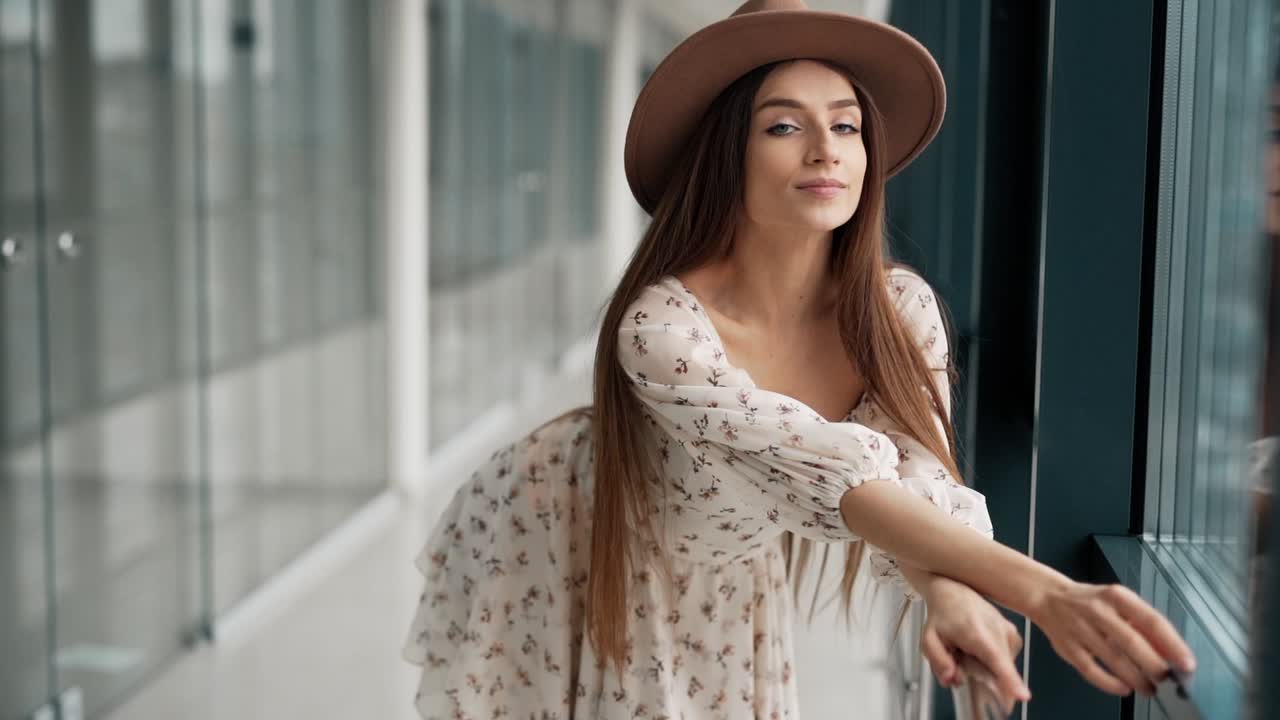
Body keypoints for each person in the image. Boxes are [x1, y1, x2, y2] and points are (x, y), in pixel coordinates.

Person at [402, 1, 1198, 717]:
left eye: (847, 125)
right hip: (572, 528)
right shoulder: (662, 328)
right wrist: (1049, 594)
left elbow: (912, 478)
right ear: (728, 154)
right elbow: (834, 480)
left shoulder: (899, 310)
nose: (826, 150)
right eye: (784, 126)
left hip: (728, 580)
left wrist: (947, 592)